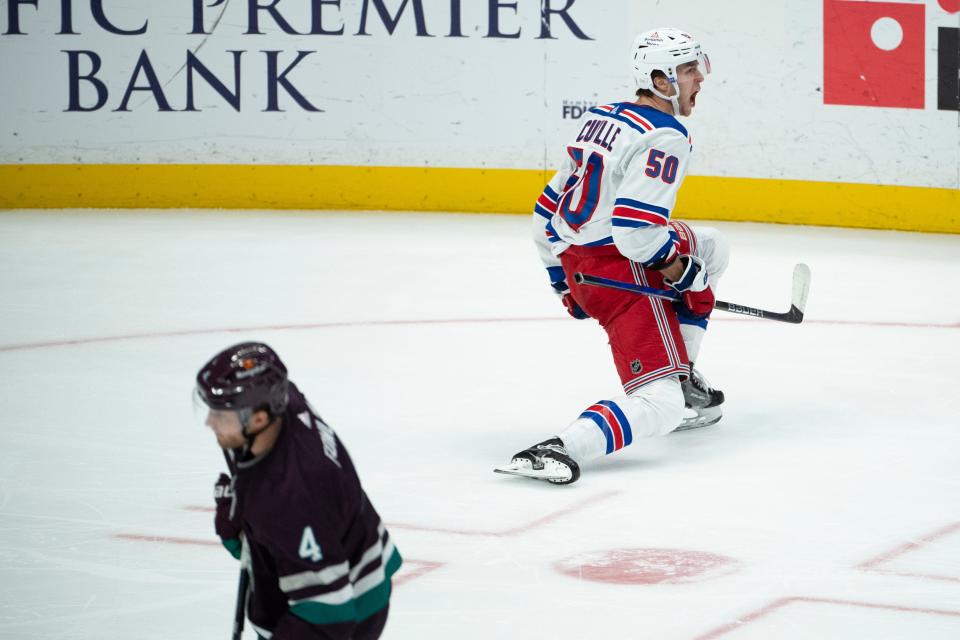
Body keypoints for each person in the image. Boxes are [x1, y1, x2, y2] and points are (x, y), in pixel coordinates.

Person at [495, 28, 730, 486]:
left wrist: (562, 280)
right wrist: (687, 277)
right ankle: (560, 446)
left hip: (580, 262)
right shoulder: (666, 134)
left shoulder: (603, 116)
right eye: (687, 71)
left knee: (712, 245)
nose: (699, 79)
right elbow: (636, 235)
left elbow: (545, 212)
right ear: (661, 81)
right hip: (620, 277)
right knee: (662, 407)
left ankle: (681, 371)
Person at [195, 342, 401, 639]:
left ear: (259, 419)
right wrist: (245, 518)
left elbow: (328, 617)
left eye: (222, 416)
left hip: (347, 610)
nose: (210, 422)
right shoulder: (283, 402)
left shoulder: (292, 495)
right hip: (345, 571)